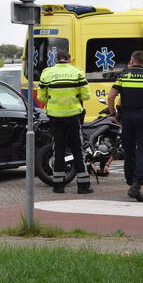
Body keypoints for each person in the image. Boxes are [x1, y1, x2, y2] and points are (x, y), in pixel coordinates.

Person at [107, 50, 143, 202]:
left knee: (129, 149)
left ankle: (130, 180)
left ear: (132, 60)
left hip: (126, 117)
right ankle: (137, 185)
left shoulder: (123, 76)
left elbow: (111, 96)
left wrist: (113, 113)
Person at [38, 50, 93, 194]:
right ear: (69, 59)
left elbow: (42, 98)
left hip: (55, 117)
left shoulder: (47, 74)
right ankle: (83, 186)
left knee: (59, 150)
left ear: (56, 59)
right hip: (73, 115)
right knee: (77, 149)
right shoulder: (77, 72)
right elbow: (86, 95)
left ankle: (58, 186)